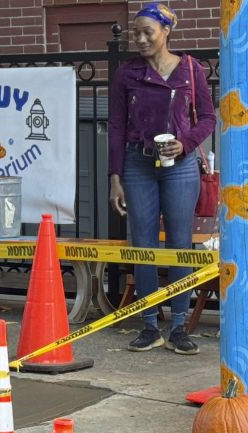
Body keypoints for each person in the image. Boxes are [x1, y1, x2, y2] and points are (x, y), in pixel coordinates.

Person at [108, 3, 216, 355]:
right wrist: (115, 176)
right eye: (135, 32)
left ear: (166, 32)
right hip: (138, 165)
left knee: (180, 247)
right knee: (143, 245)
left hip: (181, 166)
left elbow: (208, 119)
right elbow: (116, 126)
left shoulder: (190, 69)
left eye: (146, 32)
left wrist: (184, 144)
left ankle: (180, 326)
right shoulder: (127, 74)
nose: (139, 39)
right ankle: (150, 325)